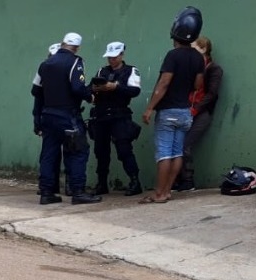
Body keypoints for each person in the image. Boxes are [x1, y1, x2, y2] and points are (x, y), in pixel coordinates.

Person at [139, 10, 205, 204]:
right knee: (177, 153)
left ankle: (158, 193)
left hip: (168, 112)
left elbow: (164, 84)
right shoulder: (198, 58)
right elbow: (197, 85)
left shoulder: (173, 56)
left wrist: (150, 108)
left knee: (164, 154)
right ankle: (167, 191)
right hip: (185, 112)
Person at [32, 32, 101, 205]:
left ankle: (46, 192)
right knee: (78, 151)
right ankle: (78, 192)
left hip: (48, 115)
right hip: (67, 115)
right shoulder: (75, 61)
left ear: (62, 43)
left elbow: (35, 90)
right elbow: (78, 87)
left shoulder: (45, 64)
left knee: (49, 153)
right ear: (77, 47)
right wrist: (90, 96)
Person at [89, 41, 143, 196]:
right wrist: (94, 89)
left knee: (124, 149)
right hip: (101, 116)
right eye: (109, 57)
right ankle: (102, 184)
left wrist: (116, 87)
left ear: (121, 55)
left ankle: (134, 181)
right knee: (101, 151)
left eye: (114, 57)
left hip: (119, 115)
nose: (111, 60)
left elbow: (134, 91)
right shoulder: (102, 71)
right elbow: (89, 88)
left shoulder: (131, 70)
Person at [174, 35, 223, 192]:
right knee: (177, 146)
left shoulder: (213, 69)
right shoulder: (192, 68)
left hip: (200, 113)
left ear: (204, 49)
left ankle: (188, 180)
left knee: (184, 145)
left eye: (194, 48)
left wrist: (195, 110)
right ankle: (178, 180)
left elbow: (212, 94)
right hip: (186, 110)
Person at [32, 43, 65, 201]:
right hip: (54, 117)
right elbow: (36, 96)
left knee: (56, 153)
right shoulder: (44, 69)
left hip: (55, 117)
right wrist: (37, 122)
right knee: (51, 154)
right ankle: (49, 187)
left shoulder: (65, 70)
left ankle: (52, 188)